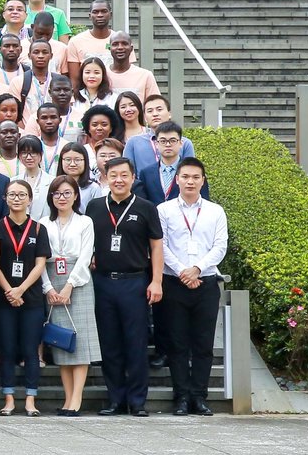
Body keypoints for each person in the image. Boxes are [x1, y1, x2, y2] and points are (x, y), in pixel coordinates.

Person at [86, 157, 164, 417]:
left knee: (136, 343)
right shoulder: (95, 207)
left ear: (133, 178)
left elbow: (156, 246)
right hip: (103, 282)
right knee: (109, 343)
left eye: (124, 175)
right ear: (106, 178)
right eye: (113, 175)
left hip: (135, 282)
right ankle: (115, 399)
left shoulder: (145, 208)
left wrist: (156, 280)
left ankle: (137, 401)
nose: (118, 180)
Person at [157, 157, 228, 416]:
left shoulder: (215, 211)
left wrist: (197, 268)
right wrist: (182, 271)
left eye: (195, 177)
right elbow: (161, 245)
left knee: (203, 344)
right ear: (177, 179)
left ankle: (199, 396)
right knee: (177, 343)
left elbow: (220, 246)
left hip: (205, 283)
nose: (190, 181)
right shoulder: (164, 210)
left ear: (203, 180)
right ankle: (181, 397)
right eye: (185, 177)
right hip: (174, 282)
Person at [0, 180, 52, 417]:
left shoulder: (38, 229)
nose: (17, 199)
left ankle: (30, 399)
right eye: (12, 195)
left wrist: (20, 290)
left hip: (32, 298)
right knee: (7, 349)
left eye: (22, 195)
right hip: (3, 298)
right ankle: (8, 399)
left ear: (30, 199)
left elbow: (40, 264)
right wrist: (10, 290)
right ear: (5, 198)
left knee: (30, 350)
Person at [41, 175, 99, 416]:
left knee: (80, 341)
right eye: (57, 193)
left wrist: (69, 286)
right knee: (60, 342)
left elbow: (85, 256)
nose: (61, 198)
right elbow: (39, 259)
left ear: (76, 196)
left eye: (67, 193)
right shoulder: (43, 223)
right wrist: (48, 288)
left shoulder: (85, 222)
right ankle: (67, 399)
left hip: (79, 281)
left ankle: (76, 399)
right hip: (51, 280)